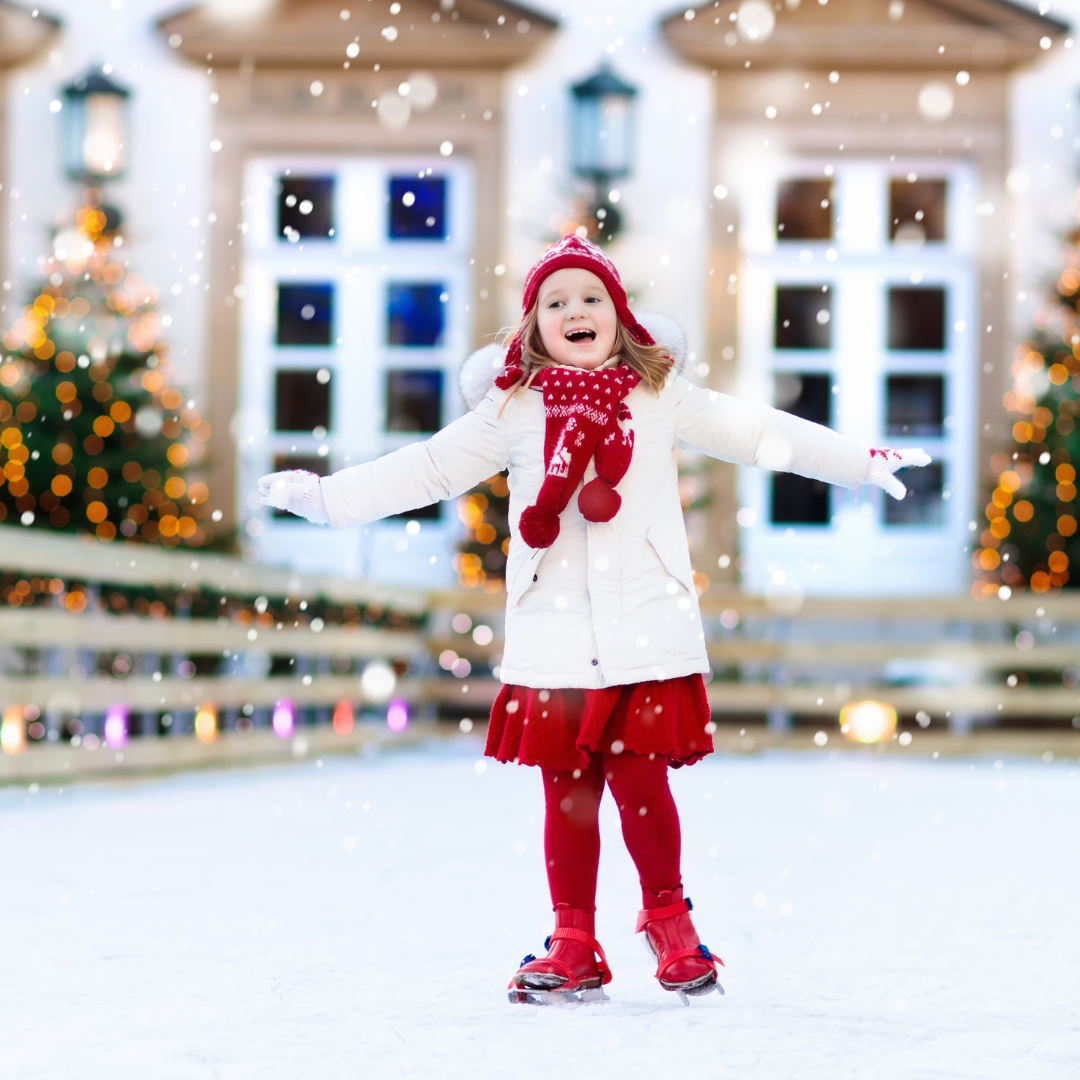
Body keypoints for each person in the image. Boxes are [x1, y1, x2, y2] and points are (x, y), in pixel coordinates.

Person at [259, 234, 928, 1005]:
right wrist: (329, 499)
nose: (575, 311)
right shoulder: (511, 410)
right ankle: (573, 938)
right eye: (556, 302)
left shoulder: (661, 396)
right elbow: (429, 468)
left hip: (646, 623)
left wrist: (860, 462)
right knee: (567, 791)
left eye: (591, 299)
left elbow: (756, 431)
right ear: (534, 327)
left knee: (643, 783)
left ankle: (669, 921)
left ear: (619, 315)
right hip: (554, 630)